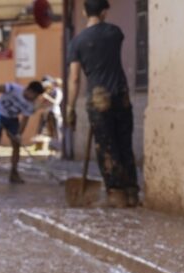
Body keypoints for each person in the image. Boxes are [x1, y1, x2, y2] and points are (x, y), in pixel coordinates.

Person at [66, 0, 138, 207]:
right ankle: (132, 192)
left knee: (106, 147)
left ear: (83, 11)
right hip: (121, 95)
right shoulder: (115, 33)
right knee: (124, 144)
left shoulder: (77, 42)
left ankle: (116, 195)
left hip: (98, 99)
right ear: (105, 11)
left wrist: (70, 108)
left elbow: (74, 79)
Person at [0, 80, 45, 184]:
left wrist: (18, 133)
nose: (35, 98)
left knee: (16, 144)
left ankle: (14, 172)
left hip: (12, 119)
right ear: (29, 90)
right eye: (34, 95)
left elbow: (25, 120)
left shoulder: (30, 105)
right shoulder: (13, 88)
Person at [38, 76, 64, 148]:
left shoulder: (58, 91)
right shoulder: (50, 91)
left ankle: (59, 148)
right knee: (51, 132)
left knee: (57, 131)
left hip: (55, 113)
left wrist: (47, 97)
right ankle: (54, 148)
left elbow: (56, 102)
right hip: (49, 113)